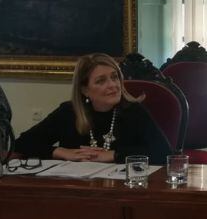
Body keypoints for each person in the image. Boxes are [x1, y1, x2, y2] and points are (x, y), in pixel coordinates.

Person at [14, 53, 170, 164]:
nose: (112, 85)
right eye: (101, 81)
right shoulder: (69, 112)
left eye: (115, 77)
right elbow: (22, 143)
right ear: (84, 90)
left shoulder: (133, 111)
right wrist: (61, 152)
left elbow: (164, 153)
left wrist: (114, 155)